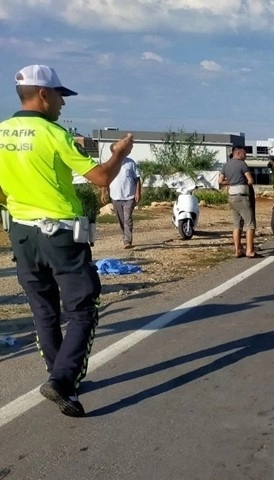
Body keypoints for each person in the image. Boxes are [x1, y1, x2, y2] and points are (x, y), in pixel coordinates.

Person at [0, 64, 134, 417]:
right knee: (83, 309)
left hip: (21, 232)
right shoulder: (53, 134)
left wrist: (17, 204)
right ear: (44, 94)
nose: (63, 104)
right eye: (60, 95)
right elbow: (102, 176)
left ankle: (60, 377)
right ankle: (62, 381)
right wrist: (120, 152)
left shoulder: (1, 133)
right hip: (60, 233)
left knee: (43, 310)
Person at [218, 145, 259, 258]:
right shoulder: (242, 164)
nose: (245, 156)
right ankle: (250, 250)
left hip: (231, 196)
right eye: (244, 154)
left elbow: (220, 181)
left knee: (237, 225)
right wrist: (242, 181)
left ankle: (237, 250)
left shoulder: (226, 165)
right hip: (242, 196)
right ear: (238, 153)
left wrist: (231, 182)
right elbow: (250, 180)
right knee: (250, 224)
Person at [100, 142, 141, 248]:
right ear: (112, 152)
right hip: (115, 196)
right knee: (121, 219)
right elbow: (105, 180)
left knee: (127, 218)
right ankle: (124, 238)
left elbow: (137, 179)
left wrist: (138, 192)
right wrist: (103, 193)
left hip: (129, 195)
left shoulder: (130, 163)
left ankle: (128, 240)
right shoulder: (109, 165)